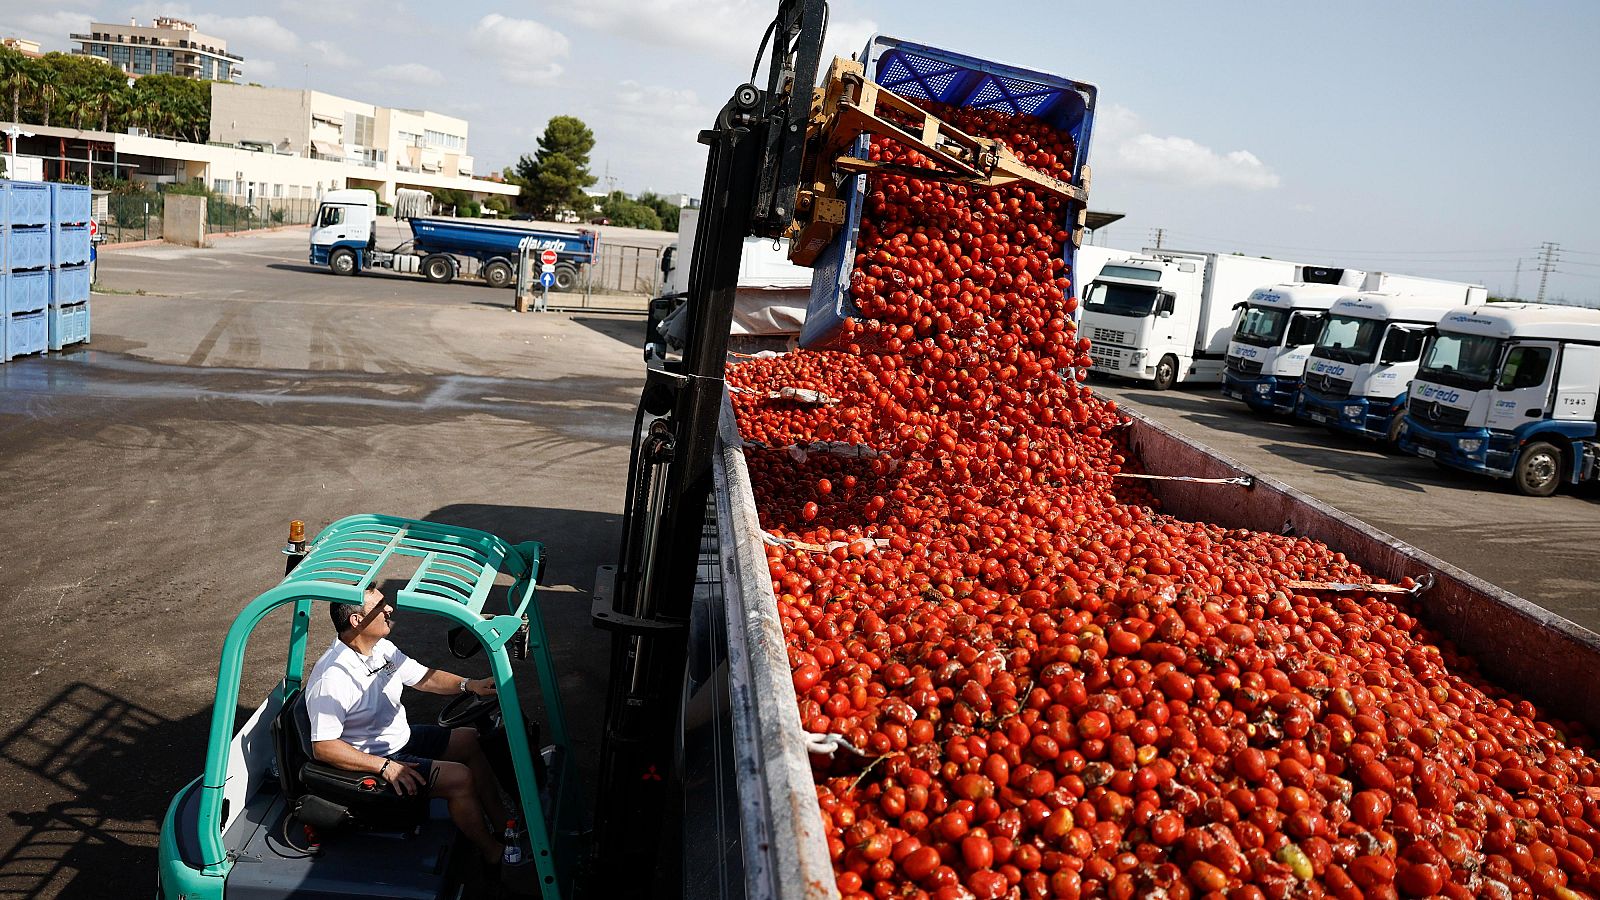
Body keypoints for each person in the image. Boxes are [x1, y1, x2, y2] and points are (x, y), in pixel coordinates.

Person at [305, 584, 511, 868]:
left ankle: (505, 829)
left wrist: (469, 685)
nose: (389, 609)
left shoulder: (381, 649)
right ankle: (494, 854)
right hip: (378, 761)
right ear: (357, 621)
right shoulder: (332, 677)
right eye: (380, 607)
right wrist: (385, 767)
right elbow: (324, 747)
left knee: (471, 740)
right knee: (459, 778)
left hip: (401, 739)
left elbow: (424, 677)